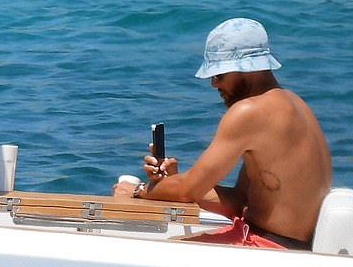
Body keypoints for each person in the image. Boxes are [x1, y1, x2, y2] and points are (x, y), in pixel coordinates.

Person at [113, 18, 332, 250]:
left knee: (150, 252)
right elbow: (239, 201)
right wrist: (172, 183)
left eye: (219, 75)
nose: (214, 84)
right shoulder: (295, 104)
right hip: (285, 243)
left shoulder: (249, 112)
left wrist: (137, 191)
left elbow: (188, 190)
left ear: (248, 70)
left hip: (269, 246)